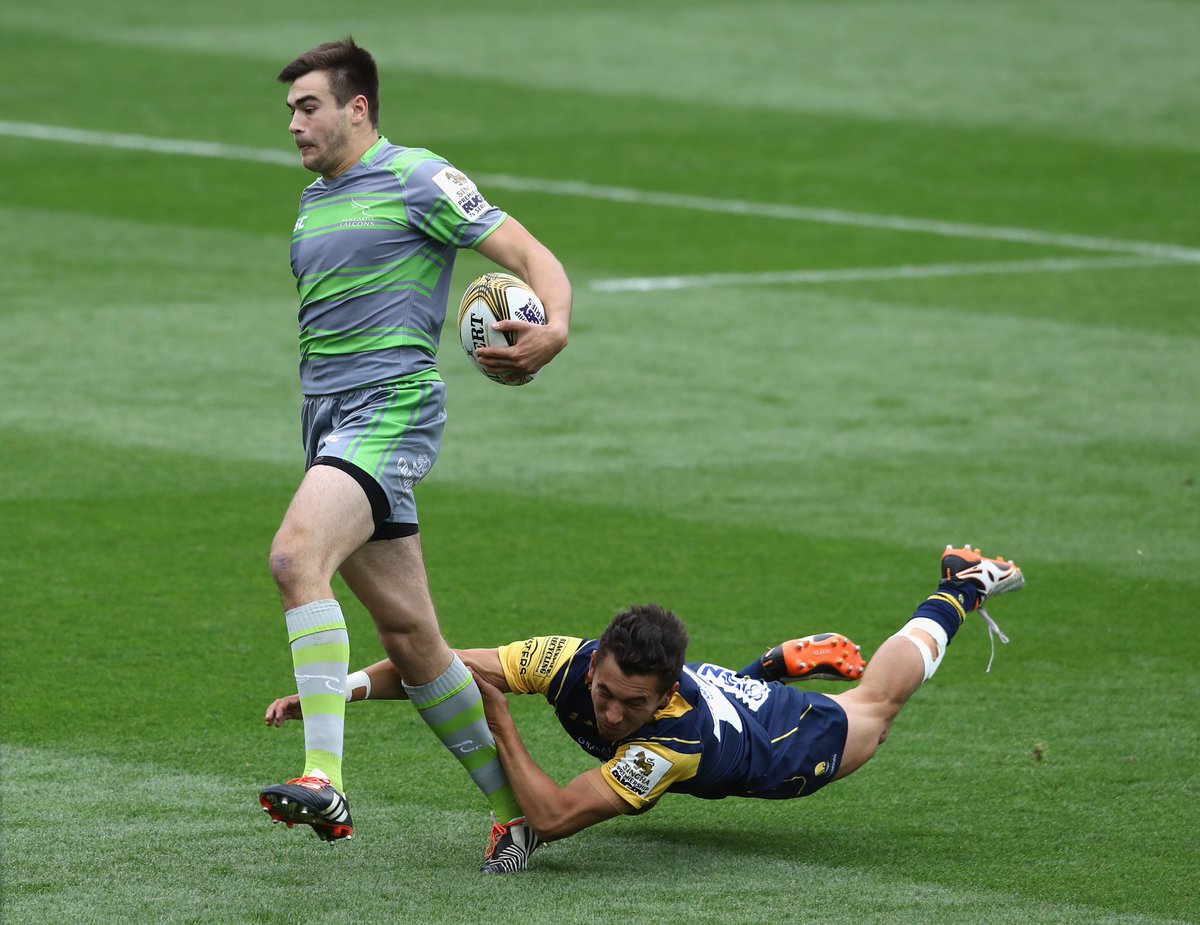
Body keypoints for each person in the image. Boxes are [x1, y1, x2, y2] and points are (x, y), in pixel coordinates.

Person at [257, 37, 572, 874]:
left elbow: (531, 257)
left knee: (294, 558)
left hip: (390, 411)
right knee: (413, 639)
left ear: (358, 107)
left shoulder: (419, 178)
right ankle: (515, 811)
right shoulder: (313, 201)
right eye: (290, 109)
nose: (294, 123)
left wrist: (557, 325)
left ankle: (324, 776)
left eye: (309, 106)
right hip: (328, 422)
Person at [265, 545, 1023, 869]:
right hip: (721, 693)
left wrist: (497, 718)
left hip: (787, 743)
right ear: (594, 661)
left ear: (662, 694)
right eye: (604, 693)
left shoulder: (668, 745)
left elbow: (556, 816)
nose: (611, 714)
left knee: (876, 707)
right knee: (744, 692)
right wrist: (339, 689)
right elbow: (432, 658)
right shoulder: (572, 657)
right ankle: (775, 660)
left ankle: (961, 583)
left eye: (633, 704)